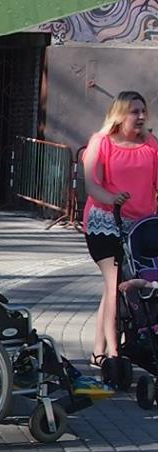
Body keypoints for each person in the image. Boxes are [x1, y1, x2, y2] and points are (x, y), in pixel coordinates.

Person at [82, 90, 158, 368]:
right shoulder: (101, 142)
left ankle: (98, 351)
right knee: (114, 284)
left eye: (143, 111)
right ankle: (114, 356)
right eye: (134, 111)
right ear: (119, 114)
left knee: (112, 288)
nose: (141, 116)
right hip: (105, 223)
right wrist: (112, 199)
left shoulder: (151, 144)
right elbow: (91, 184)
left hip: (140, 227)